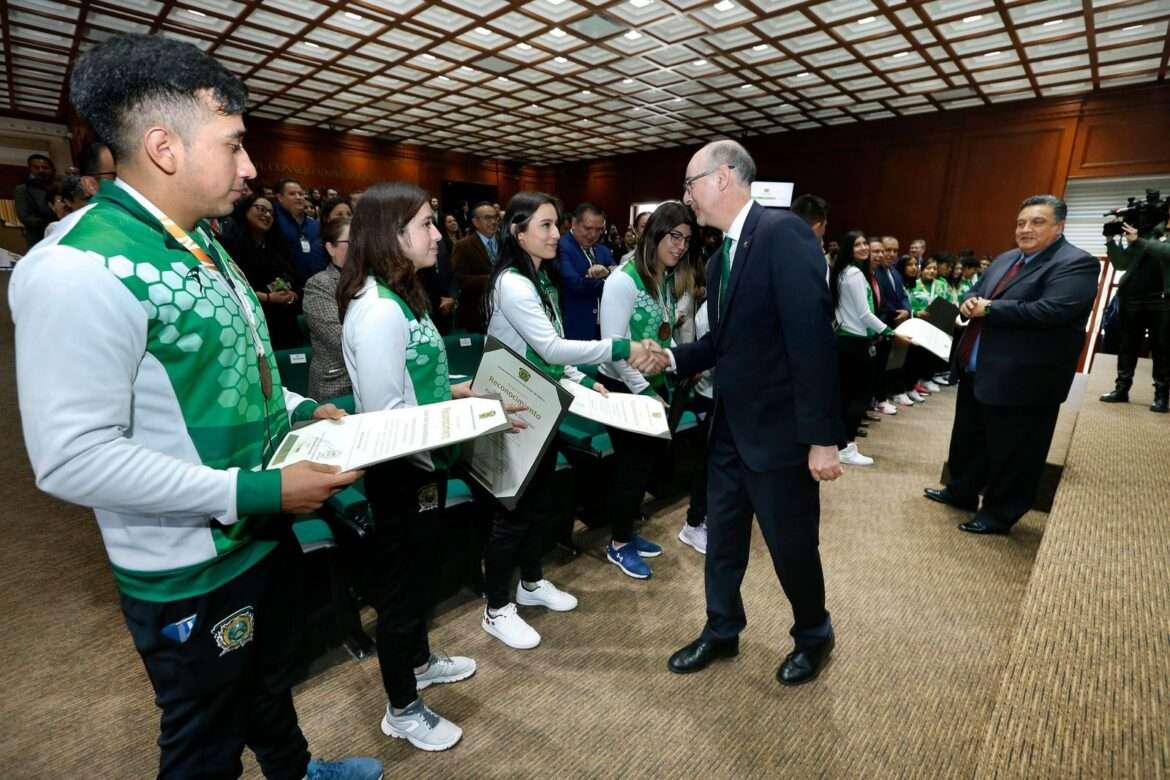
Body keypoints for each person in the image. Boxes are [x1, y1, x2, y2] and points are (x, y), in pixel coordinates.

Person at [10, 33, 378, 780]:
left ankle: (296, 772)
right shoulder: (77, 269)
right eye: (236, 144)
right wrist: (255, 490)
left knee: (269, 680)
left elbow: (233, 369)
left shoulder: (200, 242)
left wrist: (303, 410)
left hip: (256, 522)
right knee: (203, 737)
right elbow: (70, 457)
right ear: (163, 146)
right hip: (188, 561)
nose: (251, 168)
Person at [653, 140, 843, 687]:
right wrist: (671, 356)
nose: (686, 197)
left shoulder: (782, 234)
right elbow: (726, 343)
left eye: (689, 184)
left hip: (782, 433)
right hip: (731, 428)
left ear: (723, 177)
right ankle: (722, 628)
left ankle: (814, 633)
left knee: (790, 546)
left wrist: (823, 438)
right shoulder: (719, 256)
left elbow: (812, 340)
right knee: (724, 538)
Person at [339, 182, 480, 752]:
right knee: (402, 594)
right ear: (391, 235)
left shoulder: (405, 297)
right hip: (399, 469)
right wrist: (470, 419)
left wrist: (462, 390)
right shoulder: (376, 312)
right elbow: (388, 418)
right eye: (425, 225)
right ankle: (401, 707)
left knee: (422, 575)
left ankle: (420, 662)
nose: (437, 236)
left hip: (422, 461)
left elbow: (414, 385)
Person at [482, 191, 655, 650]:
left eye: (556, 224)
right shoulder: (513, 284)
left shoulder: (539, 278)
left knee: (537, 503)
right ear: (518, 232)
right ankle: (496, 609)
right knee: (511, 514)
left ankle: (532, 583)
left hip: (541, 401)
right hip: (514, 407)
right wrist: (618, 349)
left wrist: (581, 378)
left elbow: (552, 349)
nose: (555, 234)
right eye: (545, 225)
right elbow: (551, 348)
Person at [925, 195, 1099, 535]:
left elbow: (1055, 310)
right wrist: (968, 302)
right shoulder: (1007, 258)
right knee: (969, 438)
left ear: (1059, 226)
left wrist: (990, 309)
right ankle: (961, 490)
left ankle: (1000, 513)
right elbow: (974, 291)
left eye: (1037, 222)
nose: (1026, 229)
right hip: (979, 369)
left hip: (1026, 378)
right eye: (1021, 222)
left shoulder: (1076, 263)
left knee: (1015, 451)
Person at [597, 201, 698, 578]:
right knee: (631, 466)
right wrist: (644, 392)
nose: (680, 246)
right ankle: (619, 543)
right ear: (654, 234)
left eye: (686, 240)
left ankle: (627, 531)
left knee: (643, 467)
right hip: (623, 385)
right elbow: (615, 346)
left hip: (654, 384)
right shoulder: (622, 280)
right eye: (674, 236)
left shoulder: (665, 277)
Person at [832, 230, 896, 466]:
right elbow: (864, 313)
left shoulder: (843, 273)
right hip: (855, 342)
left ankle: (840, 444)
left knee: (846, 396)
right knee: (859, 396)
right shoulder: (855, 275)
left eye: (864, 244)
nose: (863, 248)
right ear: (849, 248)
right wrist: (890, 332)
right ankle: (847, 447)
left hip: (845, 341)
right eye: (857, 244)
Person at [1100, 220, 1170, 412]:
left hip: (1162, 300)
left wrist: (1138, 240)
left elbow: (1166, 252)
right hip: (1132, 296)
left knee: (1162, 348)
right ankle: (1121, 390)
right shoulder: (1147, 232)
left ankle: (1162, 397)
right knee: (1127, 344)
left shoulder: (1145, 238)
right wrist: (1110, 239)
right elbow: (1121, 263)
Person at [220, 193, 303, 349]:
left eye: (271, 212)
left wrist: (293, 293)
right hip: (252, 318)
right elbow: (231, 285)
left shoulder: (278, 244)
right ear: (245, 210)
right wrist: (268, 298)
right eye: (261, 209)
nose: (267, 215)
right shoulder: (231, 244)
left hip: (284, 320)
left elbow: (294, 276)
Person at [303, 217, 353, 401]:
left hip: (375, 381)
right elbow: (339, 340)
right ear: (330, 247)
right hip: (337, 385)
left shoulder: (374, 281)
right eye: (351, 242)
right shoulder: (319, 284)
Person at [557, 202, 616, 339]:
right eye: (588, 228)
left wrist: (606, 273)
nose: (593, 234)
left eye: (599, 229)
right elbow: (575, 284)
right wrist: (607, 279)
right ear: (573, 223)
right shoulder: (561, 247)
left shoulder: (603, 250)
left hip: (604, 328)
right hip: (575, 328)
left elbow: (620, 278)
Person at [450, 201, 500, 332]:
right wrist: (493, 279)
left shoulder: (506, 242)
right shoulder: (463, 246)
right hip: (476, 314)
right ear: (475, 222)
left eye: (495, 217)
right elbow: (460, 279)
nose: (493, 221)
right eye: (488, 218)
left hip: (505, 314)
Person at [272, 178, 327, 284]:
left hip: (315, 285)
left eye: (301, 194)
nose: (298, 197)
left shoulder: (315, 224)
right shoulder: (273, 221)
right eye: (292, 194)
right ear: (280, 197)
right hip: (286, 287)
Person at [14, 153, 57, 248]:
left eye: (45, 167)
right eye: (36, 167)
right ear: (30, 169)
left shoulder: (58, 187)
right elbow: (24, 216)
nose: (41, 170)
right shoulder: (22, 189)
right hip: (39, 238)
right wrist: (49, 225)